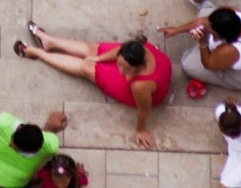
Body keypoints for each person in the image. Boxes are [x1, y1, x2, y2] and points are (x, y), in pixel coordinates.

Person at [15, 27, 170, 148]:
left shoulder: (140, 85)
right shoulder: (138, 50)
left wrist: (140, 130)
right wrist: (99, 57)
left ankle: (38, 53)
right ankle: (49, 41)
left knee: (88, 68)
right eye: (119, 64)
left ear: (137, 68)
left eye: (125, 68)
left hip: (146, 92)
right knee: (93, 49)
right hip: (147, 71)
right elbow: (120, 50)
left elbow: (144, 109)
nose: (119, 70)